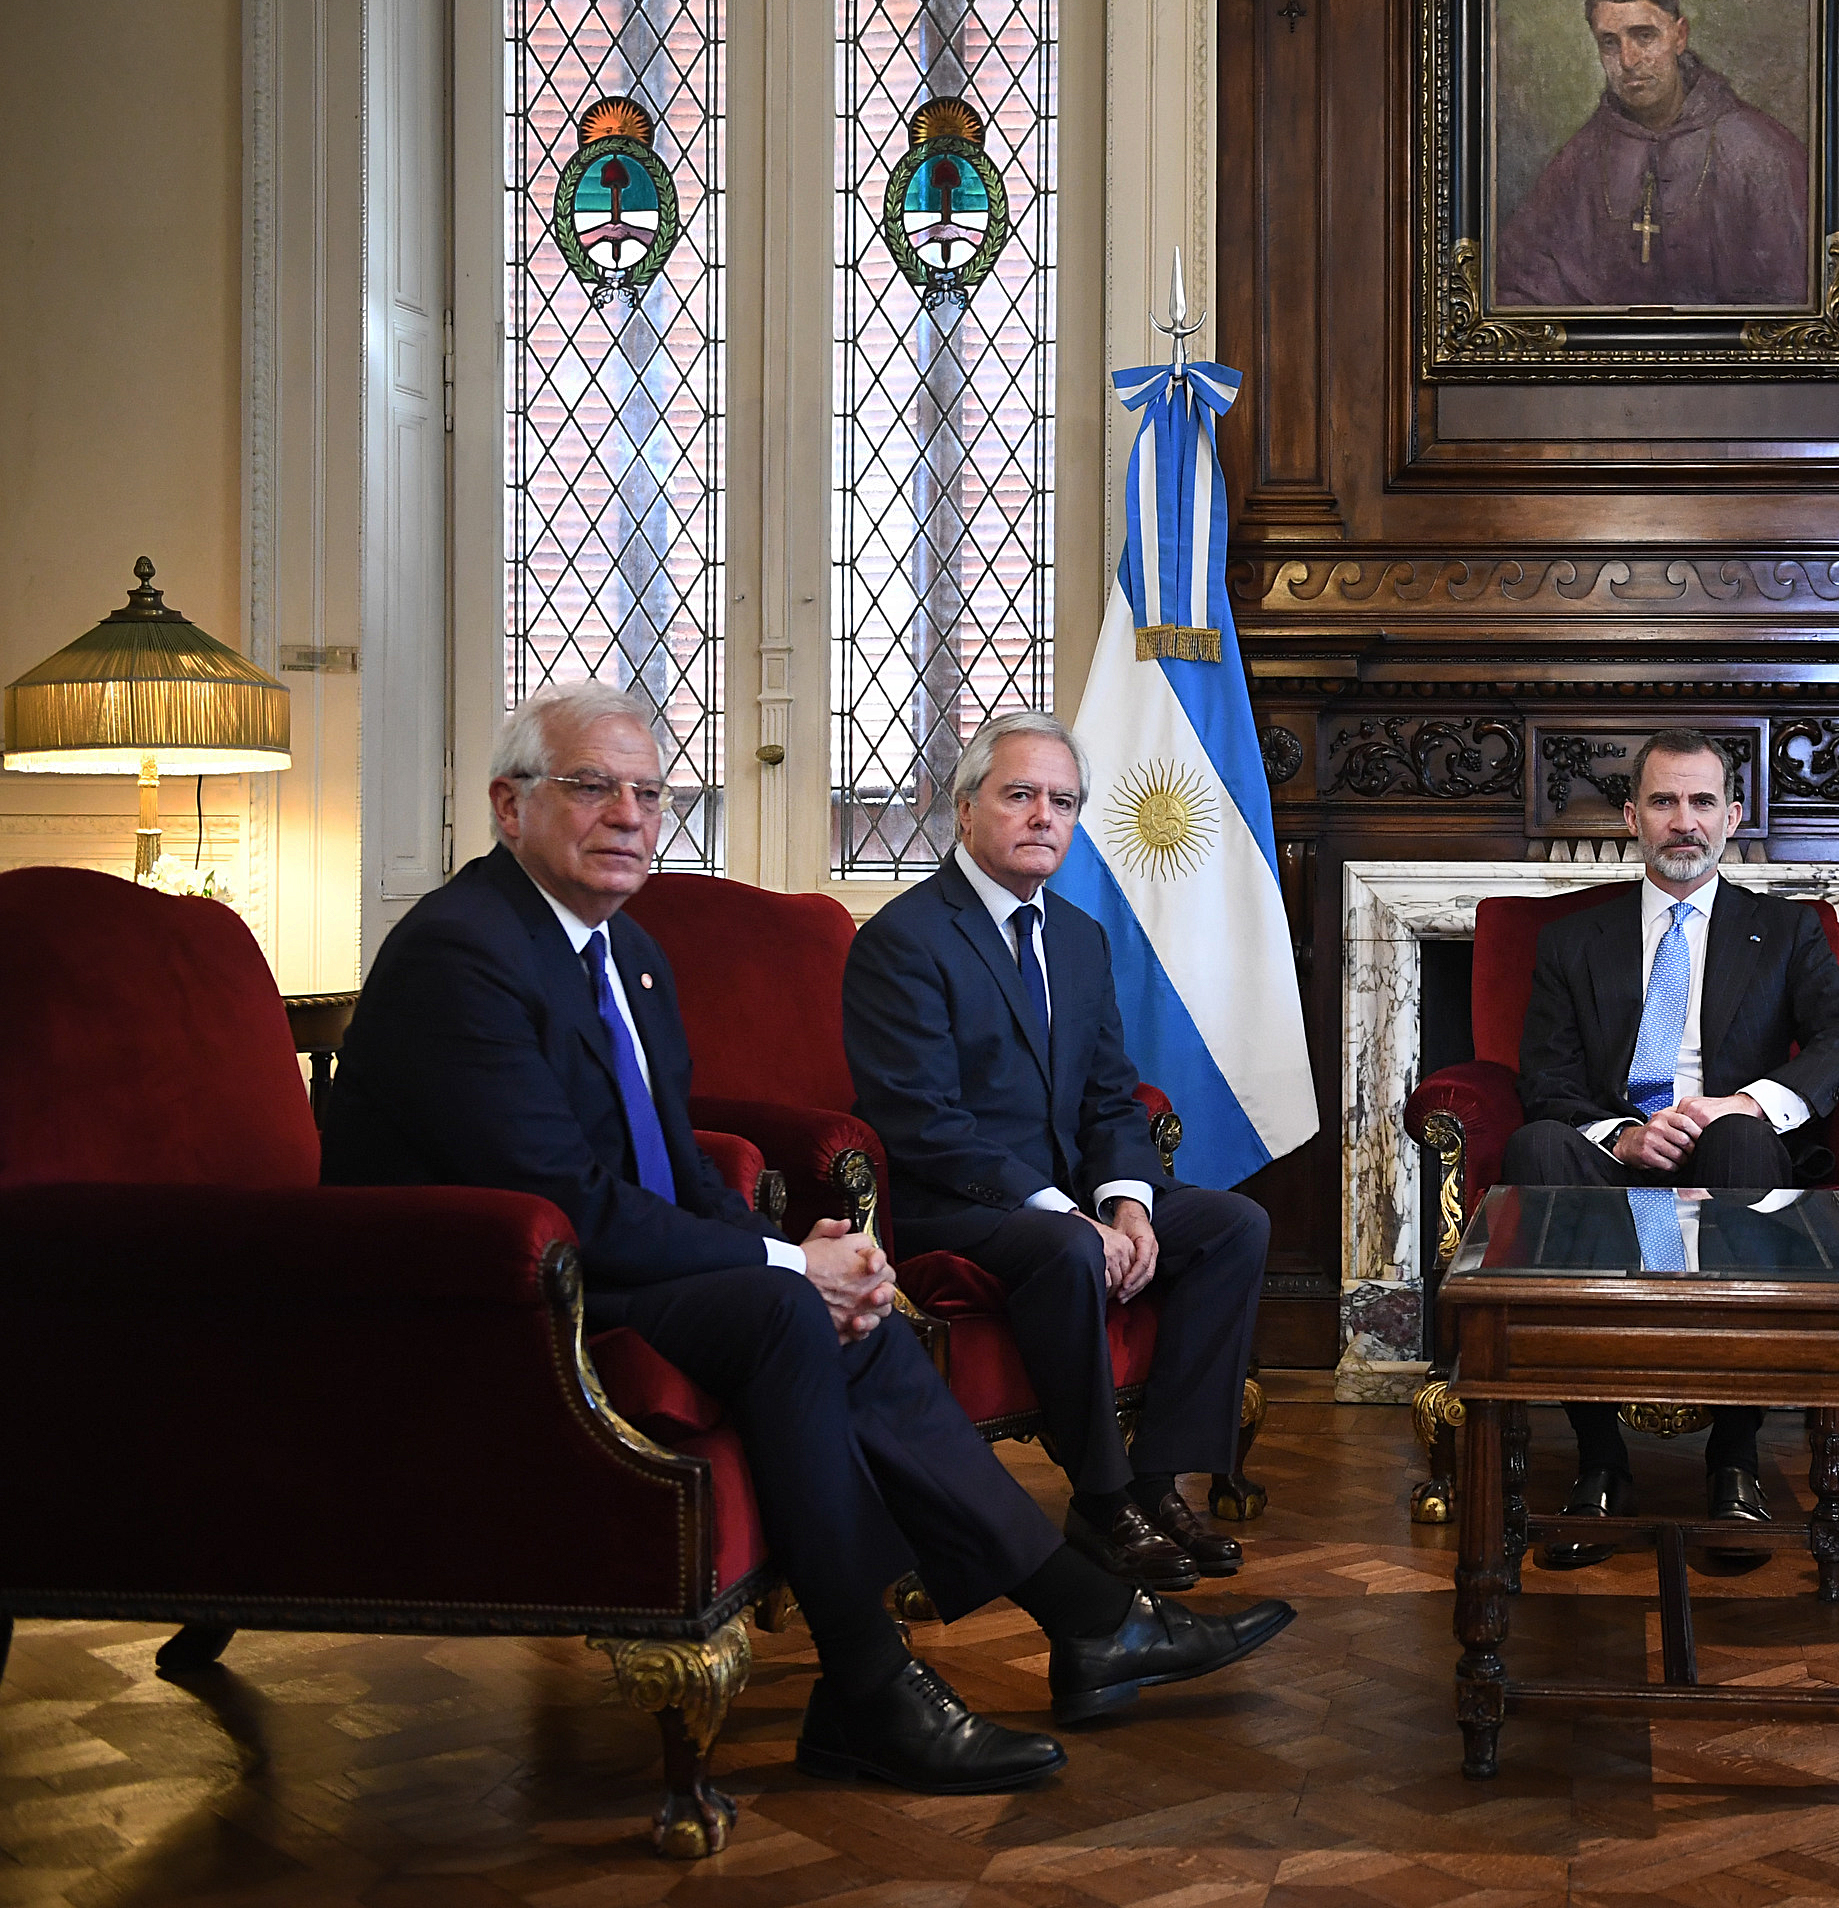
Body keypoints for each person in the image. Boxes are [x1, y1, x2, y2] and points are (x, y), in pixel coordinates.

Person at [324, 681, 1291, 1796]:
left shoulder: (625, 951)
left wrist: (795, 1251)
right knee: (792, 1310)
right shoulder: (462, 951)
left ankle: (1075, 1621)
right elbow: (567, 1198)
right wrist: (788, 1262)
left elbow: (679, 1163)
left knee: (855, 1323)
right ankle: (888, 1677)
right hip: (477, 1291)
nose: (632, 814)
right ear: (508, 805)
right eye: (593, 786)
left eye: (649, 789)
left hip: (585, 1265)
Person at [844, 712, 1270, 1596]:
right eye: (1021, 796)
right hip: (953, 1202)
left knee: (1233, 1225)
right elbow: (923, 1124)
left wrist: (1127, 1200)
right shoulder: (902, 939)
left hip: (1071, 1198)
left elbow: (1112, 1096)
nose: (1045, 817)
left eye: (1063, 802)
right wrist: (1068, 1212)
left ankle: (1158, 1483)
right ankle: (1102, 1501)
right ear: (965, 812)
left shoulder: (1078, 937)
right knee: (1068, 1245)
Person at [1502, 728, 1839, 1569]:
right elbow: (1548, 1078)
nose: (1685, 821)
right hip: (1616, 1145)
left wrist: (1739, 1104)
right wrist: (1627, 1134)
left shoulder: (1783, 932)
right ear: (1632, 818)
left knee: (1744, 1144)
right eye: (1665, 801)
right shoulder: (1575, 940)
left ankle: (1735, 1462)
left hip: (1732, 1149)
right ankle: (1599, 1458)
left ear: (1734, 817)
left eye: (1703, 802)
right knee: (1539, 1146)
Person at [1493, 0, 1812, 309]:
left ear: (1679, 36)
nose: (1628, 61)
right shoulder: (1580, 157)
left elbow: (1794, 307)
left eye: (1644, 36)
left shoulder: (1760, 152)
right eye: (1610, 43)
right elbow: (1517, 285)